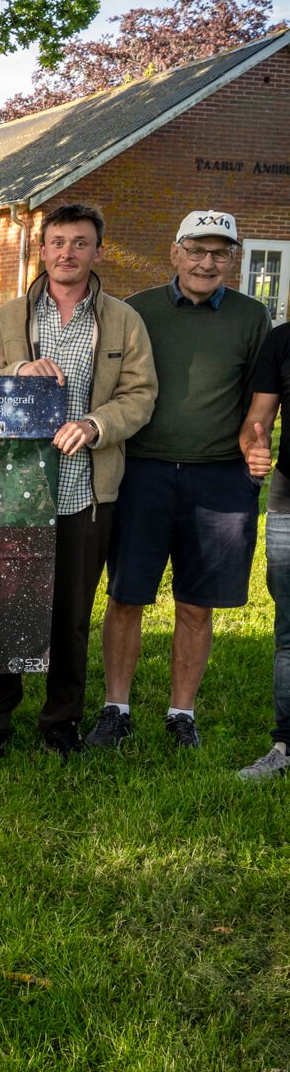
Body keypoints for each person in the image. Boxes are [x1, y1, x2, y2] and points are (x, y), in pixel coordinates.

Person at [0, 204, 157, 764]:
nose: (67, 253)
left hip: (84, 490)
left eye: (79, 243)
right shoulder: (9, 317)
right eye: (57, 242)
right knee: (2, 605)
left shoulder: (123, 320)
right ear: (43, 249)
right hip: (14, 485)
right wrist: (18, 373)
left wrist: (96, 425)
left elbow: (140, 395)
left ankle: (61, 720)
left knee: (71, 614)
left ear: (98, 251)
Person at [87, 211, 270, 752]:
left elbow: (258, 400)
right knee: (126, 595)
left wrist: (255, 446)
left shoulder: (251, 316)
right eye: (196, 250)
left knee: (196, 602)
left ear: (233, 260)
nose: (206, 262)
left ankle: (181, 714)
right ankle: (116, 708)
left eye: (219, 253)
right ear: (175, 253)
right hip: (141, 473)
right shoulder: (136, 310)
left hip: (219, 478)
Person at [237, 325, 290, 779]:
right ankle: (286, 747)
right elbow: (258, 418)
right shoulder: (283, 340)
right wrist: (254, 447)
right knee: (289, 632)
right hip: (288, 503)